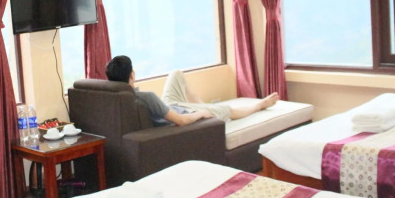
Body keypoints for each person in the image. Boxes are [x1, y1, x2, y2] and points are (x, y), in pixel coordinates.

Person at [105, 55, 279, 127]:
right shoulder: (147, 97)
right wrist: (200, 114)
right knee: (228, 110)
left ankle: (203, 105)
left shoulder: (112, 98)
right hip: (183, 113)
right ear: (132, 75)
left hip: (169, 107)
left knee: (176, 74)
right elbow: (180, 120)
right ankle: (260, 104)